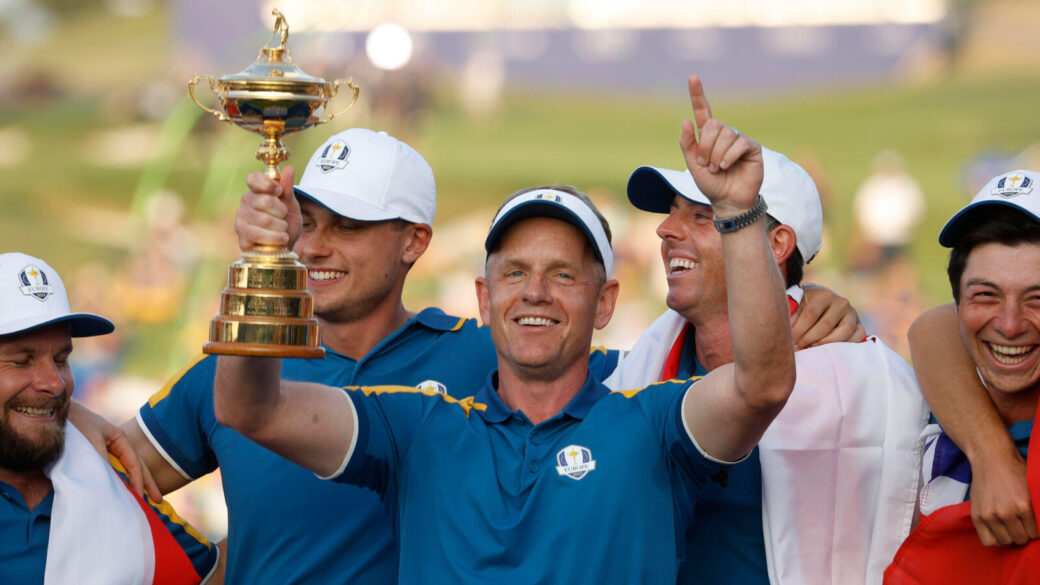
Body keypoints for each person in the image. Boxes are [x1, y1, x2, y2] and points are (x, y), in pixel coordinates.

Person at [213, 75, 796, 584]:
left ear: (604, 304)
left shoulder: (652, 422)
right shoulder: (416, 426)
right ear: (484, 300)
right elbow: (252, 410)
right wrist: (265, 258)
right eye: (514, 272)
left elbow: (762, 385)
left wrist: (738, 215)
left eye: (563, 274)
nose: (535, 291)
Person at [605, 147, 928, 585]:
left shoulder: (869, 382)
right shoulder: (632, 363)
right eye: (672, 212)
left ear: (776, 245)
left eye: (702, 216)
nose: (664, 229)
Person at [0, 253, 217, 585]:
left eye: (62, 359)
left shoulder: (103, 476)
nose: (55, 383)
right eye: (22, 361)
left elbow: (212, 574)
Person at [886, 170, 1040, 583]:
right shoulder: (917, 412)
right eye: (985, 295)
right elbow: (932, 325)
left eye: (1037, 298)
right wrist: (991, 456)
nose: (1010, 325)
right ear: (958, 302)